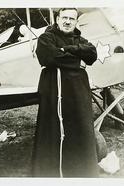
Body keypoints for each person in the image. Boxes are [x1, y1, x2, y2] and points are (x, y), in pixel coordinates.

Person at [32, 8, 99, 177]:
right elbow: (49, 57)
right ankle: (52, 173)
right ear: (57, 19)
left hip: (78, 92)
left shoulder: (80, 39)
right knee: (53, 130)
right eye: (64, 18)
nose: (68, 21)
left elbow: (92, 54)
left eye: (72, 18)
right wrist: (77, 59)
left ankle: (78, 172)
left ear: (76, 21)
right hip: (54, 91)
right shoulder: (46, 37)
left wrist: (67, 49)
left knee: (79, 130)